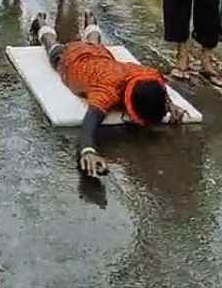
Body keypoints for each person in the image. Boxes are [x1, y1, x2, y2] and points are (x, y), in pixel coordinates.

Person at [28, 12, 187, 177]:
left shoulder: (146, 73)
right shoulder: (107, 91)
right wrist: (88, 150)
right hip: (71, 59)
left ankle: (90, 20)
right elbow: (89, 124)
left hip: (101, 56)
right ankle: (41, 24)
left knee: (95, 45)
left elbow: (158, 81)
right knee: (53, 48)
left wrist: (169, 104)